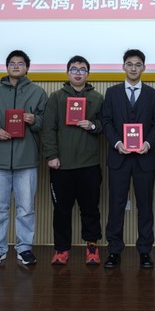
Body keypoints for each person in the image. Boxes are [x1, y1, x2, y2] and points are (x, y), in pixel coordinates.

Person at [0, 50, 47, 266]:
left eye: (20, 63)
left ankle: (24, 248)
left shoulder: (37, 92)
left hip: (26, 159)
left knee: (26, 208)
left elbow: (46, 121)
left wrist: (34, 120)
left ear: (27, 67)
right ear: (7, 67)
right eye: (12, 63)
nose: (16, 66)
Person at [101, 49, 155, 269]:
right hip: (119, 157)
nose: (133, 68)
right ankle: (114, 250)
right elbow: (106, 121)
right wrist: (117, 143)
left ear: (144, 67)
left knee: (145, 206)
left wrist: (148, 143)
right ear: (123, 67)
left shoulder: (153, 94)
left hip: (144, 159)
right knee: (116, 204)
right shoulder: (112, 93)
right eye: (129, 64)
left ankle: (145, 251)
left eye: (138, 64)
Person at [42, 55, 104, 265]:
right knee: (61, 210)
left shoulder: (97, 97)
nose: (78, 73)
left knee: (90, 208)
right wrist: (52, 156)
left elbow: (105, 125)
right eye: (74, 69)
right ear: (68, 73)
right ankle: (61, 249)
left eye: (82, 69)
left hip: (89, 164)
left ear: (88, 73)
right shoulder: (56, 97)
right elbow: (48, 128)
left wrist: (92, 125)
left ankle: (92, 247)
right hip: (61, 165)